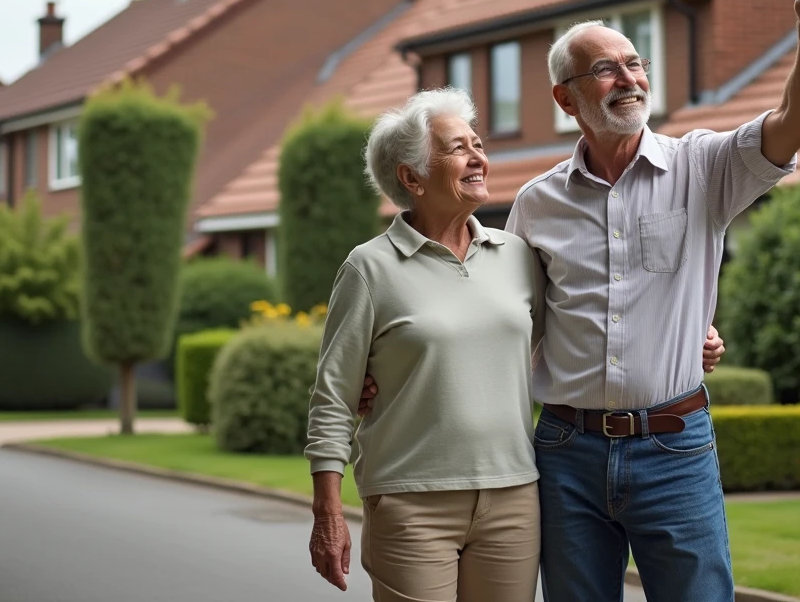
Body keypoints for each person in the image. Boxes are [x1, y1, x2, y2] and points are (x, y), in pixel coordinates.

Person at [358, 0, 800, 602]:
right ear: (567, 99)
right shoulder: (536, 204)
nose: (630, 79)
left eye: (635, 63)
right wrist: (388, 373)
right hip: (566, 453)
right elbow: (505, 319)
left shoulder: (704, 169)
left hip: (675, 447)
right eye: (606, 70)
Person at [305, 88, 726, 602]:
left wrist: (687, 340)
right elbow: (332, 399)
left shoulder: (516, 255)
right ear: (411, 177)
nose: (479, 157)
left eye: (478, 144)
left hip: (514, 499)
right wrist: (327, 511)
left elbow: (584, 327)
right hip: (411, 499)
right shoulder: (368, 269)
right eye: (457, 148)